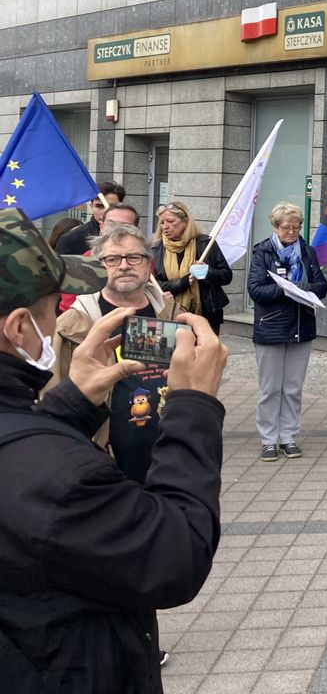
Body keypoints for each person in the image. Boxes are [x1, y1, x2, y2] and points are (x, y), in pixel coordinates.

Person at [0, 208, 227, 692]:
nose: (56, 319)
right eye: (49, 310)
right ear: (19, 328)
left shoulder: (32, 449)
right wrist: (195, 409)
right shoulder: (62, 477)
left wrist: (69, 408)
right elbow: (176, 557)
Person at [53, 224, 177, 461]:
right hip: (101, 456)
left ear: (148, 262)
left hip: (166, 452)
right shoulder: (71, 326)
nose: (123, 265)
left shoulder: (170, 313)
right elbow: (56, 396)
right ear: (99, 266)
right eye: (112, 259)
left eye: (133, 257)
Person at [247, 202, 327, 463]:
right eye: (287, 228)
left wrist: (300, 286)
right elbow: (256, 290)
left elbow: (321, 286)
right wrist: (284, 289)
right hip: (270, 326)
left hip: (301, 325)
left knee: (292, 388)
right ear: (275, 227)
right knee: (270, 388)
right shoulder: (262, 251)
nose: (292, 232)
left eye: (296, 227)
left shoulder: (307, 251)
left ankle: (288, 437)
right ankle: (269, 439)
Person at [151, 201, 232, 335]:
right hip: (169, 315)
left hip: (205, 315)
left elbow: (226, 276)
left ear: (186, 221)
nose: (165, 227)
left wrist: (207, 272)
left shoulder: (205, 243)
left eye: (171, 221)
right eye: (162, 222)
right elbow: (152, 285)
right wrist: (182, 283)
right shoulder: (155, 249)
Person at [54, 180, 125, 255]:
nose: (105, 212)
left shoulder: (131, 236)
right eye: (99, 206)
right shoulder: (71, 239)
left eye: (112, 206)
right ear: (91, 207)